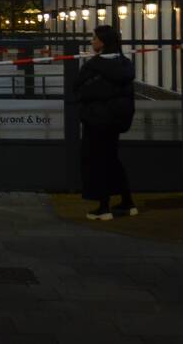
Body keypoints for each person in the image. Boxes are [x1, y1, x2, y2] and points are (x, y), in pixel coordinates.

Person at [74, 25, 136, 221]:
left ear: (103, 42)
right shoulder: (125, 64)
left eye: (94, 39)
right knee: (112, 158)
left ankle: (103, 207)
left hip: (96, 119)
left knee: (96, 161)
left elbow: (78, 87)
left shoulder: (93, 65)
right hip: (116, 119)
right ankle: (127, 202)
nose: (92, 42)